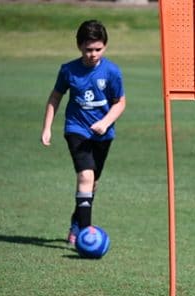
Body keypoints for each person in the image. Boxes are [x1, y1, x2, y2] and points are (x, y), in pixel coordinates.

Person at [41, 20, 126, 245]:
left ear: (105, 47)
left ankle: (77, 222)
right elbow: (55, 97)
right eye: (88, 49)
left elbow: (120, 103)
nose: (93, 54)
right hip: (76, 129)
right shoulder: (68, 70)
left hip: (103, 134)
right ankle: (87, 236)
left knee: (92, 182)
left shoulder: (112, 72)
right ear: (79, 46)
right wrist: (47, 127)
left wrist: (106, 122)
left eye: (98, 49)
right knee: (85, 176)